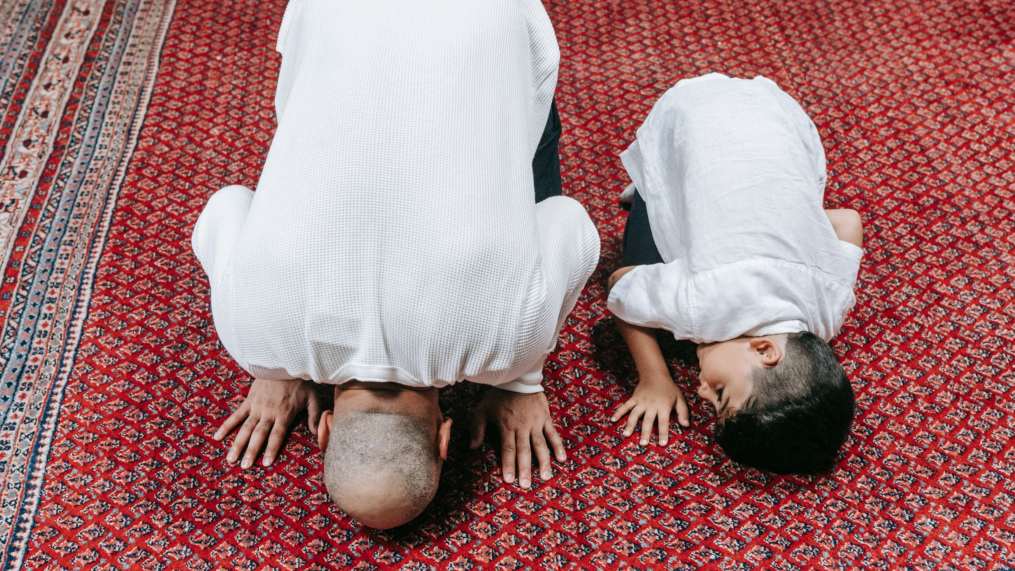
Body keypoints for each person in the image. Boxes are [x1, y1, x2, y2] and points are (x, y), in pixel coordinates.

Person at [191, 0, 600, 529]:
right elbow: (225, 204)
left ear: (444, 437)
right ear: (327, 429)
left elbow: (570, 222)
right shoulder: (252, 333)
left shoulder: (507, 347)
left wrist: (521, 379)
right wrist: (273, 358)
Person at [607, 73, 863, 475]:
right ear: (764, 350)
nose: (701, 391)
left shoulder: (828, 310)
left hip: (779, 109)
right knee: (643, 261)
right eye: (721, 395)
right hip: (680, 116)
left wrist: (798, 225)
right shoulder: (700, 308)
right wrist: (655, 377)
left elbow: (848, 221)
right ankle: (648, 191)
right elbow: (619, 284)